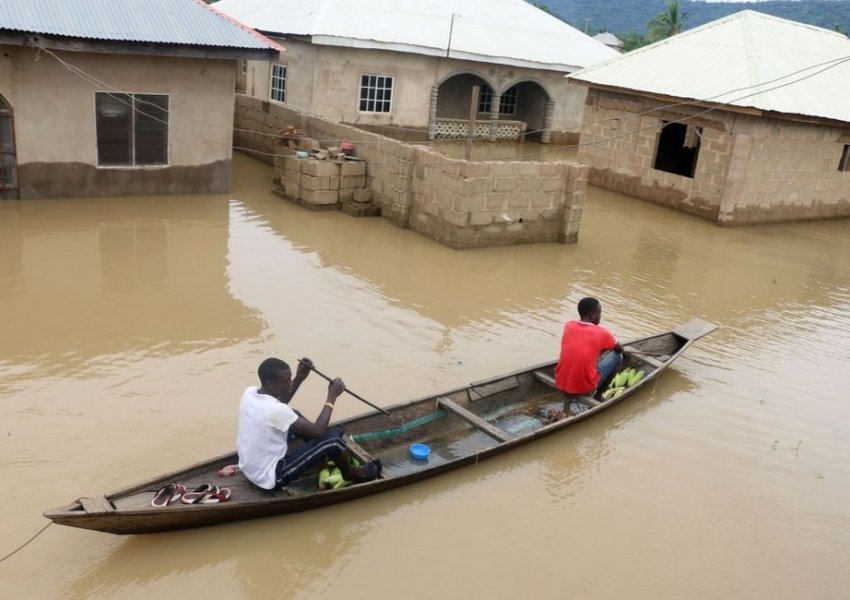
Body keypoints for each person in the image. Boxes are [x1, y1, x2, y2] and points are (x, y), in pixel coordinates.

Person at [237, 357, 381, 490]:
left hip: (249, 467)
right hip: (269, 476)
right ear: (269, 384)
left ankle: (321, 452)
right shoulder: (275, 410)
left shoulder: (250, 393)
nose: (290, 382)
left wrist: (300, 378)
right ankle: (350, 473)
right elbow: (317, 431)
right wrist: (332, 396)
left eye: (290, 378)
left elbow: (280, 405)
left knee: (295, 415)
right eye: (286, 381)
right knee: (334, 441)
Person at [554, 297, 624, 395]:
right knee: (618, 356)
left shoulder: (568, 325)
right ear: (591, 315)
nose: (600, 317)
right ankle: (598, 393)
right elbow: (619, 349)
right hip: (585, 388)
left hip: (559, 383)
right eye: (599, 314)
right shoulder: (601, 333)